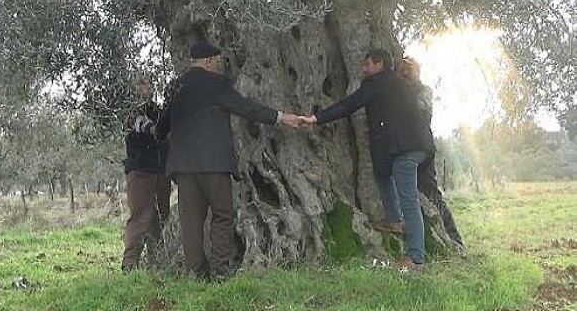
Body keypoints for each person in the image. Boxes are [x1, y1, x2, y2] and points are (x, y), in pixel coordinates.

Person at [164, 40, 301, 281]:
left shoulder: (176, 87)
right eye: (216, 61)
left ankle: (196, 272)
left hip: (184, 167)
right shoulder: (217, 84)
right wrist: (280, 117)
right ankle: (218, 270)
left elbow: (163, 124)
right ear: (208, 61)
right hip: (214, 164)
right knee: (222, 215)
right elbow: (245, 108)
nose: (218, 66)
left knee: (191, 222)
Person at [301, 48, 434, 268]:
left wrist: (316, 118)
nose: (364, 69)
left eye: (368, 64)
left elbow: (348, 105)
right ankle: (393, 219)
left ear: (380, 64)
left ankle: (416, 258)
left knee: (409, 201)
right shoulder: (402, 84)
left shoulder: (375, 83)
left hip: (406, 149)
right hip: (418, 145)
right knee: (382, 173)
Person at [399, 57, 465, 250]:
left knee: (432, 195)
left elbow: (420, 109)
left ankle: (455, 241)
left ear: (417, 72)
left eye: (408, 70)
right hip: (403, 150)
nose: (404, 73)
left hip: (422, 149)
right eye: (401, 69)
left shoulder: (424, 91)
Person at [121, 75, 172, 272]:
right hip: (141, 170)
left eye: (147, 84)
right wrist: (154, 129)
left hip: (160, 171)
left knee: (160, 218)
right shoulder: (130, 110)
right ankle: (129, 265)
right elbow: (140, 124)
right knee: (141, 216)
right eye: (140, 84)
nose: (145, 88)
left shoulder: (157, 110)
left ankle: (156, 262)